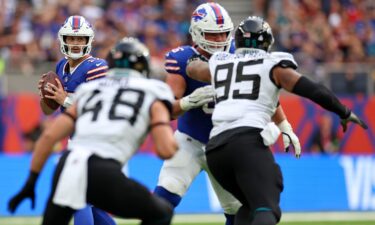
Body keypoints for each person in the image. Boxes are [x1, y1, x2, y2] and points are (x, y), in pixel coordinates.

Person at [186, 16, 368, 225]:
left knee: (250, 208)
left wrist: (191, 55)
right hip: (246, 143)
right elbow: (312, 89)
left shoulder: (220, 63)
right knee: (267, 207)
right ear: (267, 42)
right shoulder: (273, 65)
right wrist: (343, 111)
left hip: (216, 150)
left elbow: (193, 69)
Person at [154, 3, 301, 225]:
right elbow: (167, 111)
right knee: (166, 195)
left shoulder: (238, 53)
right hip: (189, 141)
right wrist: (187, 102)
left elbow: (265, 93)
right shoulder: (182, 59)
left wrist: (284, 125)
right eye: (212, 35)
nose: (219, 39)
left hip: (223, 146)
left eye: (223, 33)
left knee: (236, 212)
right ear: (197, 32)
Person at [7, 37, 177, 225]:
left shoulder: (89, 90)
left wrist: (30, 182)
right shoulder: (154, 90)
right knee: (162, 213)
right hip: (103, 169)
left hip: (67, 165)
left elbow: (48, 137)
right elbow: (166, 150)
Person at [37, 15, 115, 225]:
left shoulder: (97, 66)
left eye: (80, 39)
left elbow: (100, 110)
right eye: (71, 38)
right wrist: (47, 96)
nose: (75, 43)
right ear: (63, 39)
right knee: (90, 201)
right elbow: (47, 111)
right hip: (77, 140)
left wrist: (66, 99)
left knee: (77, 195)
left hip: (98, 140)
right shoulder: (61, 66)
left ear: (88, 40)